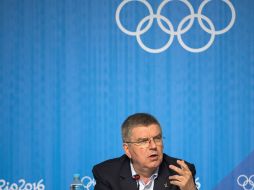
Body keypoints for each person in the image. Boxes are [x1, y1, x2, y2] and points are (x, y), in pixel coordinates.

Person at [92, 113, 197, 190]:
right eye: (143, 141)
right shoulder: (107, 174)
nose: (153, 146)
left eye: (157, 138)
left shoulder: (181, 172)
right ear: (127, 149)